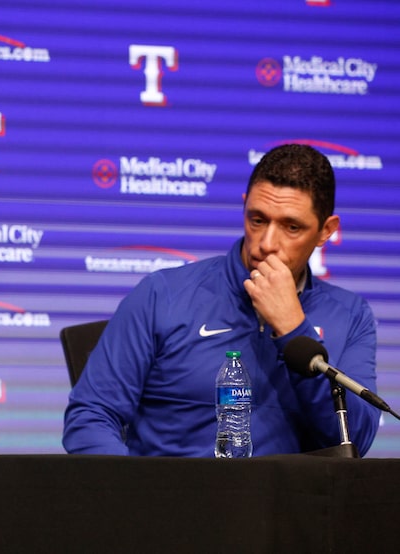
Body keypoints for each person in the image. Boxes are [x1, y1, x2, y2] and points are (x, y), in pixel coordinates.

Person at [63, 144, 380, 456]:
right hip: (170, 502)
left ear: (326, 231)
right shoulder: (162, 295)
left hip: (285, 505)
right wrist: (135, 499)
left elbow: (355, 441)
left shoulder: (350, 315)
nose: (266, 244)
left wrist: (293, 329)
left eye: (291, 227)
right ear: (244, 207)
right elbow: (90, 417)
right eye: (257, 219)